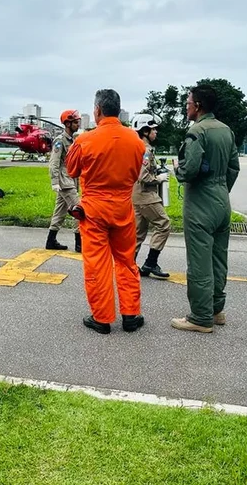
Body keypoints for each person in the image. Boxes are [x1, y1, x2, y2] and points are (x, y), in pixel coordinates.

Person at [65, 89, 146, 334]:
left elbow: (71, 170)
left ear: (98, 110)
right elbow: (136, 172)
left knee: (97, 264)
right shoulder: (136, 141)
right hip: (123, 207)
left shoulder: (85, 140)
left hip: (94, 210)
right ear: (118, 110)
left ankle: (101, 318)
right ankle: (131, 314)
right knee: (126, 261)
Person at [171, 84, 240, 333]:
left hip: (200, 202)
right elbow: (234, 167)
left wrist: (177, 170)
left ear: (198, 105)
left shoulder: (197, 132)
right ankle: (216, 309)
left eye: (188, 102)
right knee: (218, 259)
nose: (186, 106)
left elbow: (190, 170)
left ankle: (200, 317)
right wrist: (221, 189)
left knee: (199, 261)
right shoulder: (226, 130)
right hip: (222, 199)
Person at [131, 114, 171, 280]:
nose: (156, 132)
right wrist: (158, 178)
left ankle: (128, 266)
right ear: (145, 131)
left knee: (138, 234)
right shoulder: (145, 151)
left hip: (136, 195)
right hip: (146, 195)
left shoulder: (137, 147)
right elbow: (143, 176)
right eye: (153, 129)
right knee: (164, 224)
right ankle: (150, 262)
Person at [46, 109, 82, 253]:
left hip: (70, 180)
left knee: (59, 211)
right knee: (79, 211)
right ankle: (79, 243)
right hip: (65, 181)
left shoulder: (73, 140)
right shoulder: (60, 141)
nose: (77, 124)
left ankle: (51, 240)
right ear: (67, 123)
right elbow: (54, 162)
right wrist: (54, 181)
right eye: (75, 122)